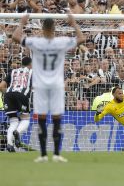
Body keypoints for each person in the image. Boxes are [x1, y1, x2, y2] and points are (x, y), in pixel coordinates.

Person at [12, 14, 85, 162]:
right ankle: (57, 154)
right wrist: (73, 23)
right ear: (55, 28)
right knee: (57, 119)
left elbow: (15, 37)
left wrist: (22, 23)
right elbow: (82, 39)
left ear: (42, 28)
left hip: (40, 86)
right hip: (57, 85)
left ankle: (43, 155)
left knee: (42, 120)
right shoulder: (62, 42)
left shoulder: (35, 42)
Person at [0, 57, 32, 152]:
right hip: (22, 95)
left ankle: (10, 145)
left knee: (13, 121)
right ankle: (17, 132)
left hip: (8, 96)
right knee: (25, 119)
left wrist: (9, 93)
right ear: (30, 64)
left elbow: (1, 86)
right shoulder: (32, 72)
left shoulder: (13, 72)